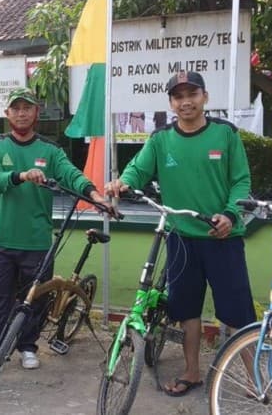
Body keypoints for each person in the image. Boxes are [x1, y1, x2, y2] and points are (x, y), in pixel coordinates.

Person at [105, 71, 255, 397]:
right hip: (181, 237)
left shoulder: (225, 134)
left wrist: (231, 214)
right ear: (171, 103)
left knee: (238, 312)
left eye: (192, 94)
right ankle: (192, 372)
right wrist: (123, 183)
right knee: (187, 310)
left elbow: (241, 180)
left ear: (205, 97)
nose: (186, 102)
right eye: (178, 96)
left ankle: (256, 380)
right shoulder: (161, 139)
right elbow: (138, 169)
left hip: (223, 238)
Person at [0, 88, 111, 376]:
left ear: (36, 113)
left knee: (37, 299)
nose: (21, 113)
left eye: (27, 108)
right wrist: (22, 175)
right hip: (2, 238)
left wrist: (95, 195)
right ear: (7, 114)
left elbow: (71, 174)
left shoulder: (50, 149)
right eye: (16, 108)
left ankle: (28, 347)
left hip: (38, 241)